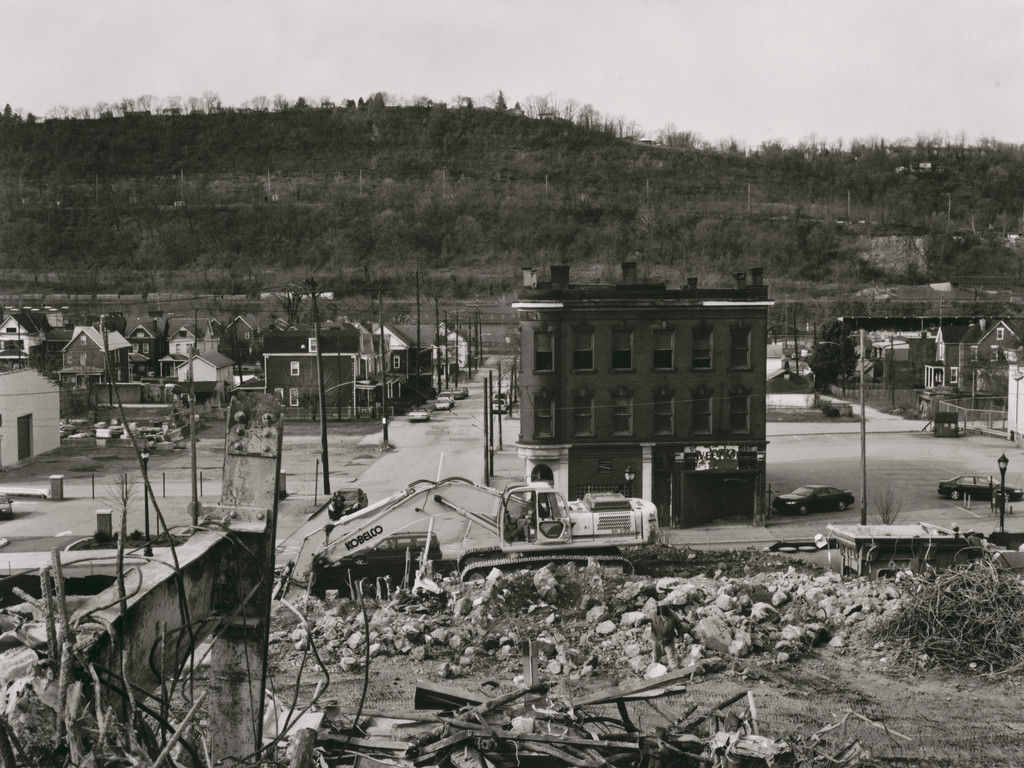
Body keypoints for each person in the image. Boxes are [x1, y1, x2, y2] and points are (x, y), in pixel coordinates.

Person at [651, 605, 687, 670]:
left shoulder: (673, 615)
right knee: (656, 658)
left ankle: (676, 672)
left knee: (672, 658)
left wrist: (681, 636)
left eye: (665, 615)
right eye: (662, 615)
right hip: (656, 639)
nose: (664, 617)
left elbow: (679, 626)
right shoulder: (653, 613)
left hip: (668, 639)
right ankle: (654, 673)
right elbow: (645, 619)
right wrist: (642, 622)